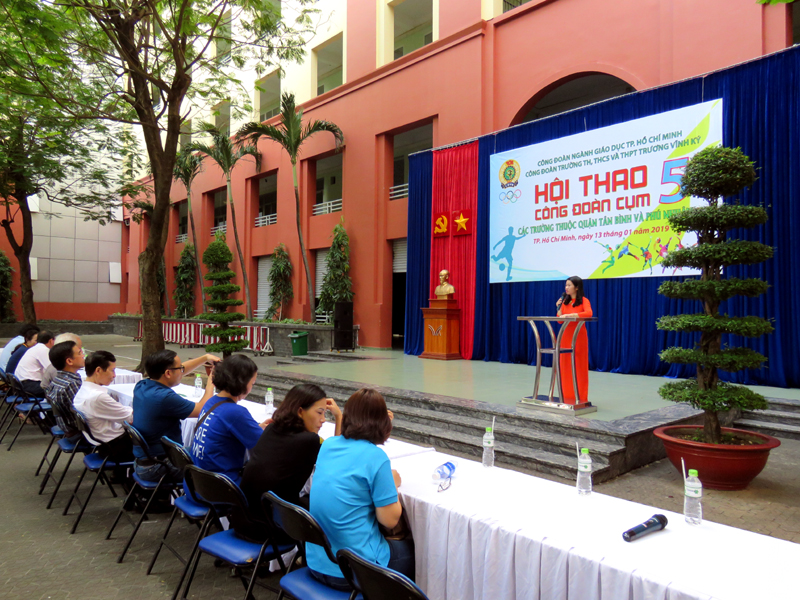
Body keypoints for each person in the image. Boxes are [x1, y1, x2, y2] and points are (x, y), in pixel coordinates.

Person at [307, 388, 413, 591]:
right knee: (419, 552)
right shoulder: (376, 457)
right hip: (354, 571)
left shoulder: (328, 445)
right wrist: (391, 483)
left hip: (317, 563)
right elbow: (390, 520)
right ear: (383, 423)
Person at [241, 383, 342, 525]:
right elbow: (337, 461)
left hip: (243, 520)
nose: (323, 419)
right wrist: (339, 417)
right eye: (320, 412)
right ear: (300, 411)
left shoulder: (271, 428)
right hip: (272, 528)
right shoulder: (309, 440)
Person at [131, 349, 220, 482]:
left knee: (206, 451)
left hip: (145, 462)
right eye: (180, 368)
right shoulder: (164, 397)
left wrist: (205, 358)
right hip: (159, 467)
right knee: (218, 457)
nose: (182, 371)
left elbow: (178, 370)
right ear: (168, 373)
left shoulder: (142, 385)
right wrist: (212, 380)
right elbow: (202, 409)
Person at [189, 354, 268, 484]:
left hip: (196, 484)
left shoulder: (211, 402)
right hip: (222, 487)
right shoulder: (236, 412)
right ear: (242, 382)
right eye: (252, 383)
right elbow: (265, 446)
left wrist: (255, 428)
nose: (251, 388)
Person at [73, 351, 134, 462]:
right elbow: (130, 419)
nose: (114, 375)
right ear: (98, 370)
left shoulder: (84, 390)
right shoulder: (97, 397)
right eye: (112, 370)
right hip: (117, 447)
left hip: (102, 443)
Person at [556, 276, 593, 404]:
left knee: (579, 367)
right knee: (565, 367)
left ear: (576, 287)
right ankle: (567, 397)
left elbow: (588, 313)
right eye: (566, 285)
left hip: (578, 337)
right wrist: (558, 308)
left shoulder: (584, 301)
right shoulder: (565, 302)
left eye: (569, 285)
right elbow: (560, 320)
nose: (566, 288)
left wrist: (572, 315)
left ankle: (580, 398)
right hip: (565, 337)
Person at [46, 340, 86, 443]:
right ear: (69, 361)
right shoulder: (71, 384)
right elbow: (85, 412)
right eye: (80, 353)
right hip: (79, 433)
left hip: (67, 429)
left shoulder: (57, 379)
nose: (83, 355)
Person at [14, 330, 55, 398]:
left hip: (21, 384)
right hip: (29, 385)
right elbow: (51, 370)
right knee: (58, 390)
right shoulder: (43, 349)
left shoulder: (34, 348)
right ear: (51, 340)